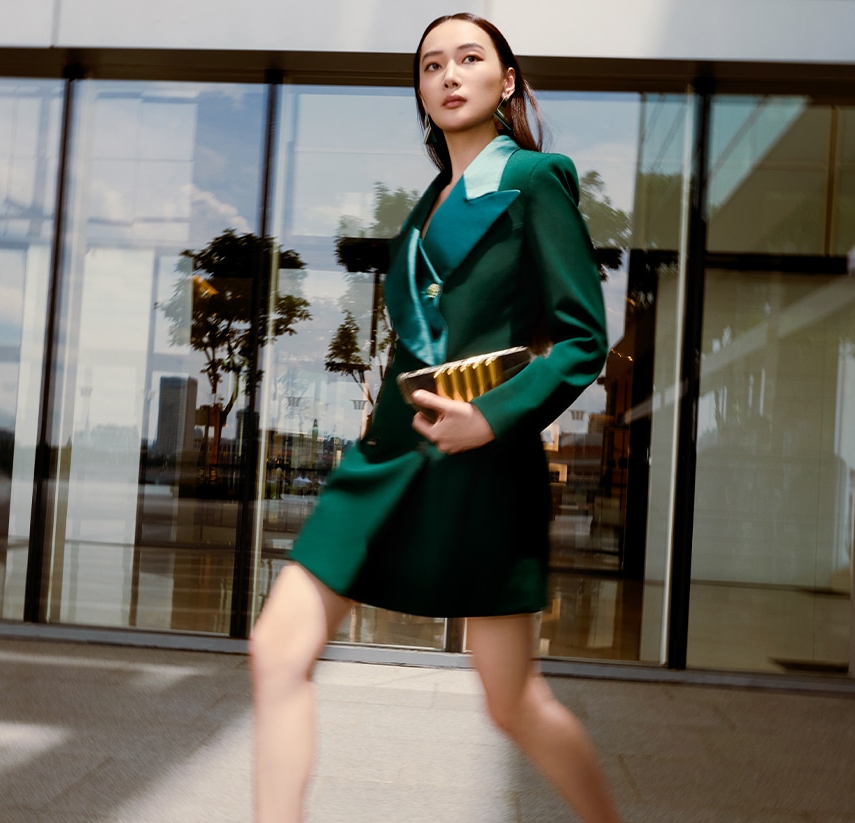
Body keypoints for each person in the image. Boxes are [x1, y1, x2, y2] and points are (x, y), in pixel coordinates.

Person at [248, 12, 623, 823]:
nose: (449, 74)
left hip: (480, 463)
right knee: (274, 651)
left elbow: (582, 340)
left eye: (469, 58)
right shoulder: (425, 205)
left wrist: (487, 420)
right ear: (420, 92)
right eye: (430, 65)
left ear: (506, 81)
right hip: (383, 462)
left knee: (511, 700)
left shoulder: (534, 179)